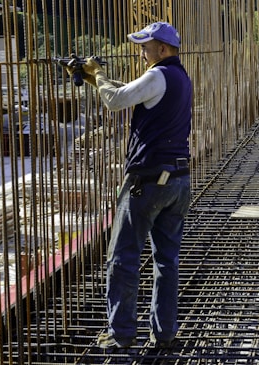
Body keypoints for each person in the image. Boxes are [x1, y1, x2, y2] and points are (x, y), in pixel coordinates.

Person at [70, 22, 192, 349]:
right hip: (179, 180)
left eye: (145, 46)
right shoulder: (179, 77)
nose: (141, 52)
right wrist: (97, 78)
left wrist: (97, 75)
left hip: (148, 181)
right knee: (167, 261)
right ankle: (165, 334)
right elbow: (132, 91)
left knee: (123, 257)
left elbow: (115, 100)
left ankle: (120, 334)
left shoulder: (157, 75)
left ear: (162, 49)